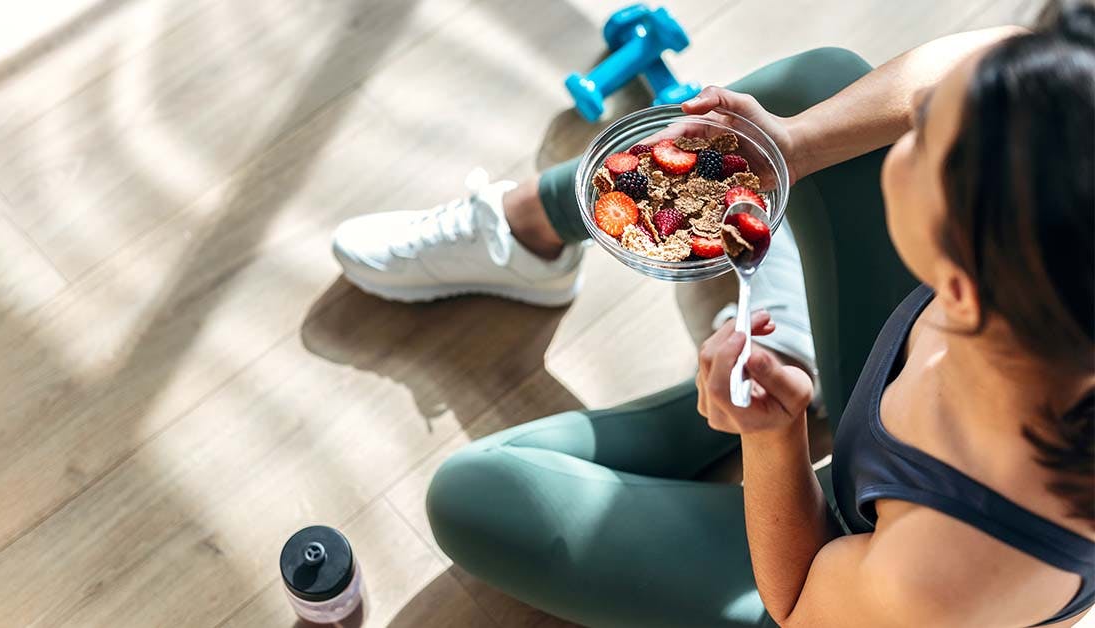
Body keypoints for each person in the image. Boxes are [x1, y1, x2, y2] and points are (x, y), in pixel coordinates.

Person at [337, 3, 1095, 626]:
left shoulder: (950, 571)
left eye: (925, 136)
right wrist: (793, 143)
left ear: (955, 282)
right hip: (916, 407)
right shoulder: (1043, 284)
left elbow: (799, 605)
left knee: (474, 493)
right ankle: (535, 232)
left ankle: (779, 380)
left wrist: (771, 437)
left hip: (835, 572)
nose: (917, 114)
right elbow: (1001, 54)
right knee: (813, 89)